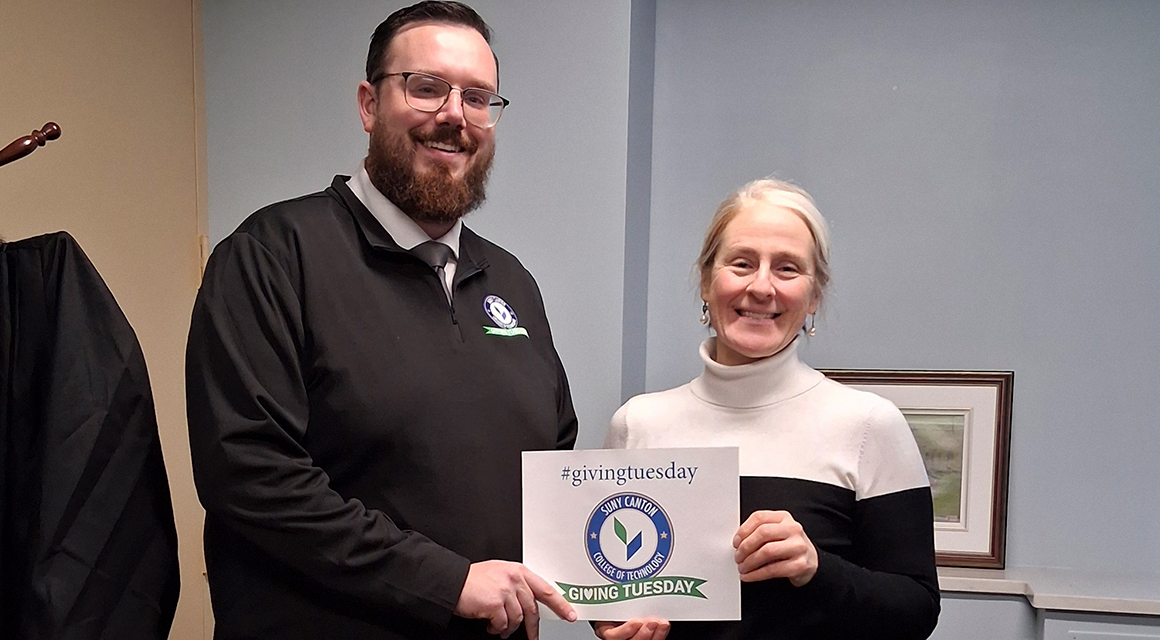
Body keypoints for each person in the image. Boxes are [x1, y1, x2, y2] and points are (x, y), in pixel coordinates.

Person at [185, 2, 578, 639]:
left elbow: (552, 463)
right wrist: (447, 582)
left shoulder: (512, 284)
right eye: (427, 88)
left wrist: (620, 584)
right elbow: (253, 476)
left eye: (478, 98)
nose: (455, 115)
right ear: (369, 105)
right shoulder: (273, 255)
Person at [596, 179, 940, 640]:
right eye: (741, 263)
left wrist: (816, 570)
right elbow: (613, 594)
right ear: (705, 280)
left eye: (787, 269)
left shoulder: (868, 425)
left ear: (814, 295)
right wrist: (612, 622)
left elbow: (916, 610)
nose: (761, 287)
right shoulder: (637, 423)